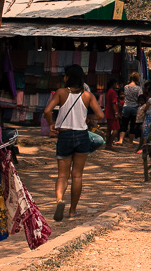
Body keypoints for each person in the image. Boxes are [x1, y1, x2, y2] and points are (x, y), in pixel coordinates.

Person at [43, 64, 104, 222]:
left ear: (67, 77)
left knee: (62, 175)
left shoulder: (61, 93)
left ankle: (59, 200)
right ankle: (72, 211)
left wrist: (51, 124)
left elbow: (47, 110)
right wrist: (89, 118)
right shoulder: (87, 96)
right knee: (77, 176)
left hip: (64, 135)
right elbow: (100, 115)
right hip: (81, 136)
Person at [116, 72, 142, 145]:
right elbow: (140, 97)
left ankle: (121, 140)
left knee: (124, 124)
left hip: (126, 106)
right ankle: (130, 143)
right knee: (132, 126)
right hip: (135, 107)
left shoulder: (126, 87)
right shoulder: (138, 88)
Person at [103, 78, 120, 150]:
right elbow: (113, 103)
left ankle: (107, 144)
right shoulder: (112, 92)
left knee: (109, 129)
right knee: (116, 129)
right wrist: (116, 113)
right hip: (112, 113)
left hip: (108, 112)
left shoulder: (108, 92)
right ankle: (109, 144)